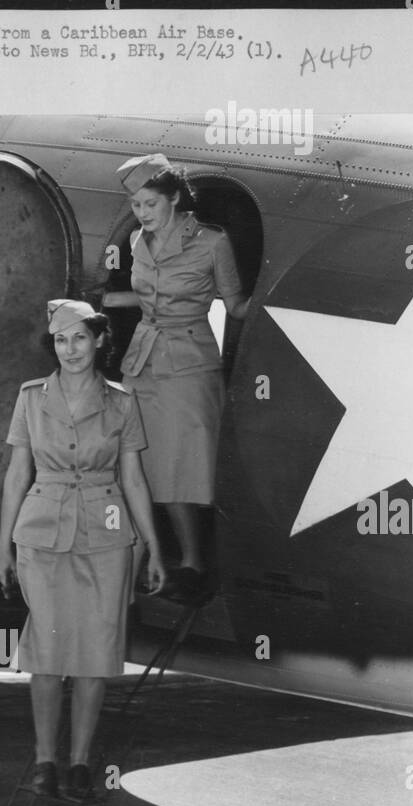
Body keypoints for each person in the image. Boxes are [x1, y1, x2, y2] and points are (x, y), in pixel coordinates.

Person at [0, 299, 166, 801]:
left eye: (79, 338)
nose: (70, 349)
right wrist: (3, 546)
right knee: (46, 655)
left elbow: (133, 478)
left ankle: (80, 763)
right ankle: (45, 759)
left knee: (96, 654)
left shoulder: (121, 402)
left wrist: (153, 547)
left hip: (107, 532)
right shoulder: (30, 398)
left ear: (98, 342)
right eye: (61, 340)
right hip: (42, 531)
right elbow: (16, 475)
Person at [102, 153, 251, 599]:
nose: (142, 214)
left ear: (173, 198)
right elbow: (148, 299)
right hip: (143, 360)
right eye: (136, 206)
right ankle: (148, 557)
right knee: (139, 463)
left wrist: (273, 307)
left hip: (189, 363)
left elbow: (236, 304)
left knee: (182, 467)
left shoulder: (211, 243)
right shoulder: (136, 242)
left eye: (149, 204)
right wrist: (105, 301)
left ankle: (191, 563)